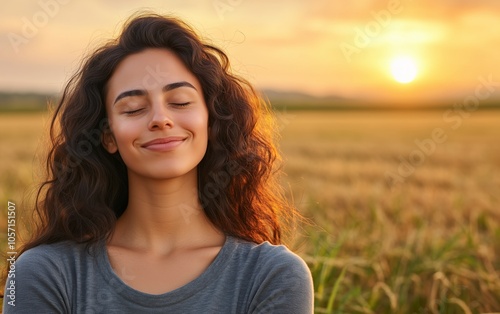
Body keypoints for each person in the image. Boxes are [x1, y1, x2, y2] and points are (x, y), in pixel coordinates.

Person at [2, 13, 313, 313]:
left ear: (210, 120)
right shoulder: (45, 275)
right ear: (108, 136)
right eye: (134, 108)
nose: (161, 119)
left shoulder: (272, 276)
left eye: (180, 102)